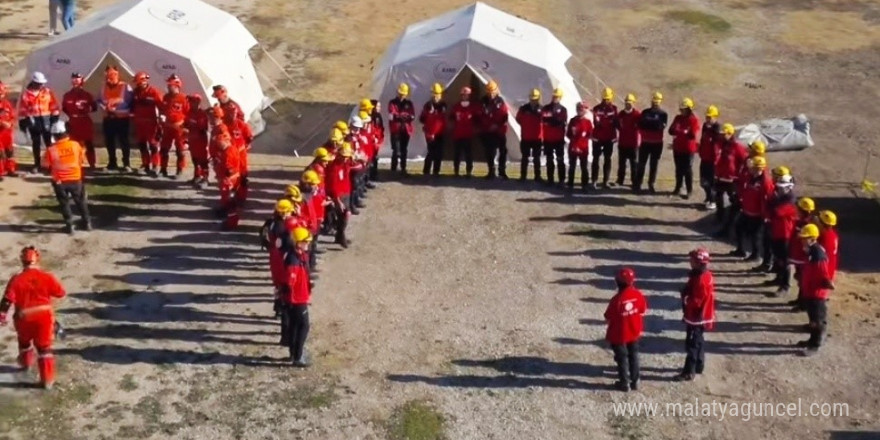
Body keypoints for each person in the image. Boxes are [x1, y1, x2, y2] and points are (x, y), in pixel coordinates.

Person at [0, 246, 67, 389]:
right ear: (38, 259)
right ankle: (47, 381)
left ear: (22, 261)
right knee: (44, 349)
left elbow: (7, 300)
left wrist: (2, 315)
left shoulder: (16, 279)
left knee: (24, 343)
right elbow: (61, 293)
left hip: (23, 317)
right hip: (44, 317)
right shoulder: (47, 277)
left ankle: (26, 364)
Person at [42, 121, 91, 234]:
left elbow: (45, 165)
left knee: (64, 203)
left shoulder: (51, 150)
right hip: (76, 179)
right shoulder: (75, 145)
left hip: (59, 181)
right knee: (80, 201)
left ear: (54, 135)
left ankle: (69, 226)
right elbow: (82, 160)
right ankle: (87, 222)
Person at [603, 267, 647, 392]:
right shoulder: (638, 295)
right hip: (634, 332)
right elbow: (643, 310)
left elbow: (608, 317)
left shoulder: (616, 300)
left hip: (619, 335)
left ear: (617, 282)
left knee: (622, 358)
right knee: (634, 355)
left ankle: (624, 383)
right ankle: (636, 380)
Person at [676, 248, 715, 382]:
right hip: (702, 315)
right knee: (698, 341)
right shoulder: (705, 275)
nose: (690, 262)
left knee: (692, 344)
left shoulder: (700, 280)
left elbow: (696, 301)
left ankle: (689, 371)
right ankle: (699, 364)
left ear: (699, 263)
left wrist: (685, 298)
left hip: (697, 316)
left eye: (692, 260)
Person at [795, 224, 834, 356]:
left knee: (817, 320)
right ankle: (812, 340)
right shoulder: (811, 251)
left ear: (812, 238)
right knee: (812, 319)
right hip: (810, 292)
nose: (802, 240)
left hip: (816, 294)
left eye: (805, 238)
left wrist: (827, 283)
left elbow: (823, 273)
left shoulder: (817, 253)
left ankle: (816, 344)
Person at [280, 227, 313, 367]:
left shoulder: (296, 256)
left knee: (294, 326)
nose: (308, 244)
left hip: (296, 298)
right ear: (298, 243)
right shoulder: (294, 260)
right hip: (297, 299)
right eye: (305, 242)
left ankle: (293, 354)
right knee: (303, 326)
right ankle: (298, 356)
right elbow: (290, 282)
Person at [732, 156, 773, 260]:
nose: (750, 169)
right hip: (746, 210)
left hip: (757, 214)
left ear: (759, 168)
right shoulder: (751, 177)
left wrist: (765, 215)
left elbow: (767, 199)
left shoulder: (766, 182)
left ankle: (756, 255)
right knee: (738, 228)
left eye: (753, 167)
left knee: (755, 236)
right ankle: (740, 250)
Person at [18, 72, 60, 173]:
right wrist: (23, 122)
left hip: (46, 119)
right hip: (34, 120)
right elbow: (23, 109)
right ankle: (37, 164)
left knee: (49, 143)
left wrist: (55, 118)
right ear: (34, 82)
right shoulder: (26, 94)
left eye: (42, 83)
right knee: (36, 143)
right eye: (39, 83)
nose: (41, 85)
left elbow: (54, 105)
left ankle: (52, 164)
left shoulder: (48, 92)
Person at [764, 174, 798, 297]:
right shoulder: (780, 198)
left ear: (789, 187)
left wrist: (771, 205)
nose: (779, 189)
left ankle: (785, 285)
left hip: (785, 234)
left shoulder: (790, 200)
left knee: (785, 260)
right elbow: (768, 208)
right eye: (779, 187)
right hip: (776, 231)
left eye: (783, 187)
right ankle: (779, 278)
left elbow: (776, 212)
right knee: (778, 258)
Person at [260, 199, 296, 316]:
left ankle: (277, 306)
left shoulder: (270, 222)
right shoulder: (284, 227)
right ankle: (282, 306)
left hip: (274, 256)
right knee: (285, 283)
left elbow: (262, 235)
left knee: (277, 283)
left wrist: (268, 246)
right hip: (282, 257)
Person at [713, 124, 748, 236]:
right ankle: (720, 217)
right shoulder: (720, 144)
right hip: (720, 177)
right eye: (721, 134)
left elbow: (744, 162)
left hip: (731, 180)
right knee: (718, 197)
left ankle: (731, 226)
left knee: (735, 202)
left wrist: (738, 177)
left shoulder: (737, 147)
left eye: (724, 134)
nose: (722, 136)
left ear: (730, 134)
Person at [61, 73, 97, 170]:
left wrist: (88, 109)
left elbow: (94, 107)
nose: (76, 81)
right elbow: (64, 108)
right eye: (74, 79)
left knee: (89, 143)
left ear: (82, 81)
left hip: (84, 121)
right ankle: (75, 163)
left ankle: (92, 164)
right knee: (74, 144)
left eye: (78, 79)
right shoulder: (67, 95)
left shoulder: (87, 95)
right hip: (73, 121)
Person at [634, 92, 668, 193]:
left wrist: (649, 123)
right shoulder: (645, 112)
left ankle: (651, 184)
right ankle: (638, 184)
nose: (655, 104)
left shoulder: (663, 114)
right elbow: (641, 125)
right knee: (641, 164)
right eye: (654, 102)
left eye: (657, 102)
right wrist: (653, 124)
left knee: (654, 164)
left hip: (657, 143)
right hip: (645, 142)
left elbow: (660, 127)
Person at [325, 144, 357, 248]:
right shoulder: (333, 168)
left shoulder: (345, 163)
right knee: (345, 214)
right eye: (343, 156)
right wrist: (337, 200)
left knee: (344, 215)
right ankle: (340, 235)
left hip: (346, 192)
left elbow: (353, 165)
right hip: (338, 195)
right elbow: (332, 186)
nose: (345, 158)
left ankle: (339, 235)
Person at [129, 71, 161, 175]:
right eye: (137, 83)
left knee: (153, 145)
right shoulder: (135, 92)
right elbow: (132, 106)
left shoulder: (154, 92)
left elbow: (161, 106)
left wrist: (162, 119)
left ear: (144, 81)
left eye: (139, 82)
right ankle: (145, 164)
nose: (138, 85)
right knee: (142, 145)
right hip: (139, 123)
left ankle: (155, 165)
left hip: (151, 123)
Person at [788, 197, 817, 309]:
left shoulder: (808, 225)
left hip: (802, 256)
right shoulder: (801, 221)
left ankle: (803, 303)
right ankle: (800, 300)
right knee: (800, 279)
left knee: (803, 280)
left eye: (798, 208)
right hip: (798, 255)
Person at [669, 97, 700, 199]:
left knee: (687, 170)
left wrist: (680, 131)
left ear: (689, 109)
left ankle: (689, 190)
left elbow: (692, 135)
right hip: (678, 148)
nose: (682, 111)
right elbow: (671, 130)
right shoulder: (678, 118)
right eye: (681, 109)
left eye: (684, 109)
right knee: (678, 169)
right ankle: (678, 188)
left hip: (688, 149)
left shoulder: (694, 120)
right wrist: (683, 132)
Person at [159, 74, 190, 178]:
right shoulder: (166, 97)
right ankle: (163, 169)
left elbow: (188, 113)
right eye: (168, 85)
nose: (168, 87)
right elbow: (163, 109)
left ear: (177, 86)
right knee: (164, 149)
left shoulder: (184, 98)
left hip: (179, 128)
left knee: (180, 151)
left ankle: (179, 170)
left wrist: (186, 129)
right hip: (167, 127)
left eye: (170, 85)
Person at [214, 124, 241, 230]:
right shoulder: (227, 150)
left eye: (219, 143)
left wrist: (224, 177)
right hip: (227, 179)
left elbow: (230, 169)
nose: (218, 145)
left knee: (230, 200)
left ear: (225, 142)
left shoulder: (229, 152)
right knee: (226, 198)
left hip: (229, 180)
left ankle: (231, 221)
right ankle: (227, 215)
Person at [480, 80, 509, 179]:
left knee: (503, 151)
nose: (491, 94)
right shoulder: (483, 101)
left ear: (496, 90)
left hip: (499, 130)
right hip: (487, 131)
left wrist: (497, 125)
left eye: (492, 91)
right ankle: (491, 171)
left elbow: (505, 116)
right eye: (489, 91)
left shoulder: (500, 101)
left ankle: (502, 171)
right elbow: (480, 116)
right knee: (489, 151)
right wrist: (487, 126)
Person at [591, 87, 618, 189]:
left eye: (608, 99)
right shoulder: (596, 109)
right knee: (596, 159)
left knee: (608, 159)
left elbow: (615, 122)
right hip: (597, 138)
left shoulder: (614, 109)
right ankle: (594, 180)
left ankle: (605, 181)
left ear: (611, 98)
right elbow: (596, 122)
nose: (606, 101)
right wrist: (605, 122)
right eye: (605, 99)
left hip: (609, 138)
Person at [419, 83, 447, 176]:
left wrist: (433, 113)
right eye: (434, 94)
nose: (436, 96)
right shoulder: (427, 105)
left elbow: (441, 118)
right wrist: (429, 114)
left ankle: (436, 171)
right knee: (431, 152)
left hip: (440, 132)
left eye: (438, 94)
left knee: (439, 153)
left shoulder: (443, 105)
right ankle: (426, 171)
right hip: (429, 133)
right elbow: (422, 119)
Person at [515, 89, 543, 182]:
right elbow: (518, 119)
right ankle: (523, 176)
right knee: (524, 157)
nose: (533, 101)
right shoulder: (523, 109)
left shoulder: (542, 109)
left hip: (537, 138)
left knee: (537, 158)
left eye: (535, 99)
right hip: (526, 137)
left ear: (538, 98)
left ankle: (537, 176)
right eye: (532, 99)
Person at [541, 88, 568, 185]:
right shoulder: (546, 108)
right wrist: (552, 121)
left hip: (558, 139)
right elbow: (544, 120)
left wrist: (551, 121)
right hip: (548, 139)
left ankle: (561, 179)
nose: (555, 98)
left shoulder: (563, 110)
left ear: (560, 98)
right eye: (554, 96)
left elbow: (561, 122)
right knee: (549, 160)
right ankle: (550, 179)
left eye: (557, 97)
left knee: (560, 159)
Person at [449, 87, 477, 177]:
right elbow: (451, 117)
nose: (465, 96)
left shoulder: (473, 107)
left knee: (468, 154)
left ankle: (469, 171)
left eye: (467, 95)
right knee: (457, 154)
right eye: (464, 95)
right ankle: (456, 171)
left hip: (468, 134)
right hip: (458, 134)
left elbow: (478, 119)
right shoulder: (456, 106)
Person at [388, 83, 415, 175]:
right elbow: (392, 115)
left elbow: (412, 116)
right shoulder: (392, 102)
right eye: (400, 93)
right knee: (396, 150)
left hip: (406, 130)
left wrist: (400, 116)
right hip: (395, 130)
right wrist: (403, 116)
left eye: (403, 94)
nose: (401, 95)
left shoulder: (409, 103)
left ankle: (403, 168)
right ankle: (393, 169)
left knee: (404, 150)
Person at [566, 101, 593, 191]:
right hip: (573, 147)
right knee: (572, 166)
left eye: (582, 109)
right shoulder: (573, 120)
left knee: (584, 167)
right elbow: (568, 134)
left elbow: (590, 134)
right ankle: (570, 184)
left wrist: (583, 139)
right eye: (579, 109)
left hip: (583, 148)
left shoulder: (588, 122)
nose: (580, 111)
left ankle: (584, 185)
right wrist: (574, 143)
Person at [184, 94, 210, 188]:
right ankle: (197, 176)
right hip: (192, 140)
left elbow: (202, 129)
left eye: (192, 101)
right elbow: (186, 123)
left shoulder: (202, 114)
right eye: (190, 101)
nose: (190, 103)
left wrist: (190, 130)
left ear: (198, 102)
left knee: (203, 161)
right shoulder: (189, 112)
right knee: (195, 160)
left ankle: (205, 179)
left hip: (200, 141)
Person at [698, 105, 721, 209]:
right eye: (707, 117)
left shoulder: (717, 128)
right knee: (703, 181)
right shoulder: (705, 126)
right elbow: (703, 140)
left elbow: (716, 142)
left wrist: (710, 129)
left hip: (712, 160)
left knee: (711, 182)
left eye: (710, 117)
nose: (708, 119)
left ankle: (713, 200)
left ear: (715, 117)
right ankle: (708, 197)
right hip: (704, 158)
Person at [615, 94, 640, 187]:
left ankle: (634, 181)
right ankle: (620, 179)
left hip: (633, 143)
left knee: (634, 164)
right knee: (621, 163)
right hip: (622, 142)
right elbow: (617, 124)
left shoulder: (637, 114)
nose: (628, 105)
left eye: (630, 103)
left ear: (633, 103)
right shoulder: (621, 114)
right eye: (626, 103)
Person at [0, 81, 16, 178]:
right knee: (0, 153)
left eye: (1, 93)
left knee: (10, 152)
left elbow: (12, 117)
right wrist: (2, 123)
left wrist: (10, 123)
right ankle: (1, 172)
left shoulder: (6, 104)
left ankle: (11, 169)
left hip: (7, 133)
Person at [817, 210, 839, 281]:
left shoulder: (825, 237)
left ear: (822, 223)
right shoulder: (832, 234)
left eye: (819, 220)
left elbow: (822, 256)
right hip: (829, 270)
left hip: (823, 273)